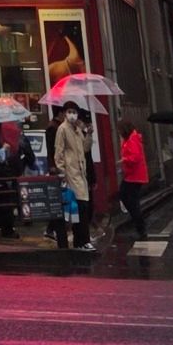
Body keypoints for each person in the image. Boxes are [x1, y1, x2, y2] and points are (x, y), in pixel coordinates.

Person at [53, 105, 93, 252]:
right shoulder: (62, 129)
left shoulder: (77, 130)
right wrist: (62, 172)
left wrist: (89, 134)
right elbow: (58, 152)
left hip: (80, 173)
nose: (72, 115)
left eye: (74, 112)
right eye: (69, 112)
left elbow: (85, 148)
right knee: (80, 207)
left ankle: (80, 241)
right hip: (71, 174)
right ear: (65, 113)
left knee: (81, 208)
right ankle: (83, 240)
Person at [118, 122, 150, 237]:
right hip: (132, 175)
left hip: (134, 176)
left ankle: (139, 224)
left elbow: (135, 157)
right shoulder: (130, 139)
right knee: (130, 199)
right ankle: (139, 223)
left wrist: (124, 160)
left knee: (129, 199)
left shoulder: (132, 140)